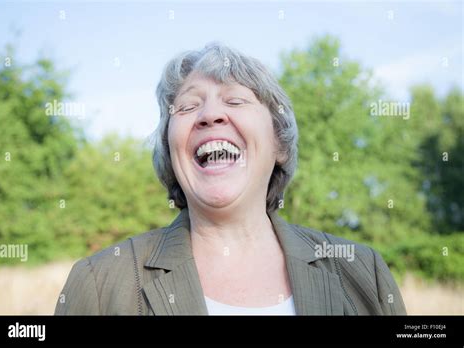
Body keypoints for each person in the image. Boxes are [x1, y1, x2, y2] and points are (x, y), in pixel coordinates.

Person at [55, 43, 406, 315]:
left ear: (279, 143)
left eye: (236, 100)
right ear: (170, 148)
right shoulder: (100, 283)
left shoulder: (363, 272)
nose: (209, 115)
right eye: (189, 106)